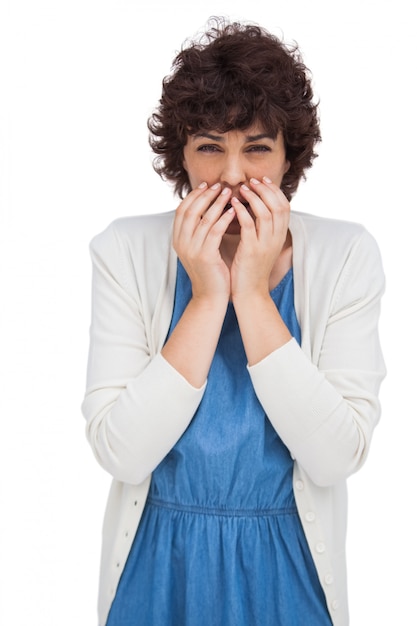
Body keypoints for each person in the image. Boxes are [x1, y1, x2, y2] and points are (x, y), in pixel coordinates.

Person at [82, 17, 385, 626]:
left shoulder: (347, 254)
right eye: (210, 147)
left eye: (257, 148)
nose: (230, 176)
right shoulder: (123, 250)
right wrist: (205, 297)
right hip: (158, 569)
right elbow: (122, 453)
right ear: (182, 157)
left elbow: (334, 457)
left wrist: (251, 290)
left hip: (288, 573)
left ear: (288, 156)